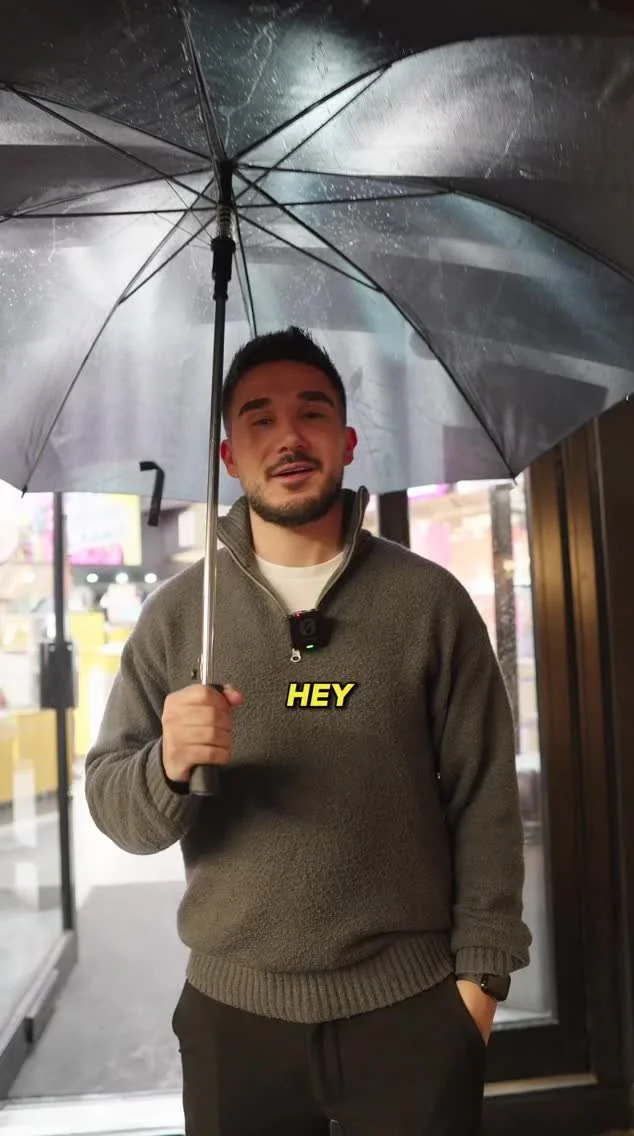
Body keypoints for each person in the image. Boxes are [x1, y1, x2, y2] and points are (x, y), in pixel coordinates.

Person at [85, 327, 532, 1135]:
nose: (287, 437)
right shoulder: (179, 616)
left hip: (412, 1010)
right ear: (229, 457)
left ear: (348, 441)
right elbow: (117, 811)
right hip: (232, 1021)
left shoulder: (429, 604)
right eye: (259, 419)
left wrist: (480, 988)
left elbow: (485, 800)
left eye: (312, 413)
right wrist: (168, 765)